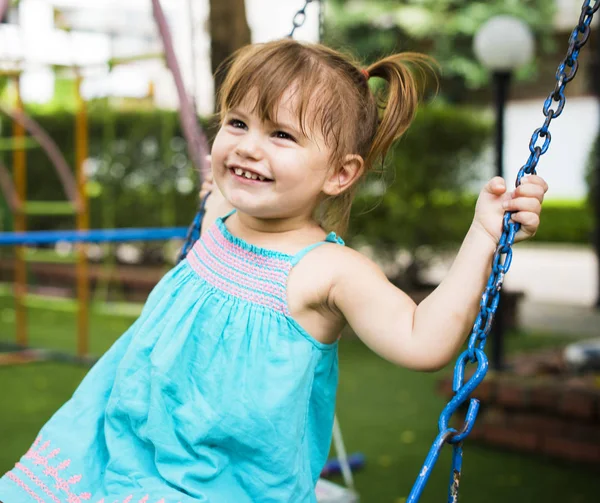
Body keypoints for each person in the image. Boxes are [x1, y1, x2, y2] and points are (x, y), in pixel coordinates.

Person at [0, 39, 547, 503]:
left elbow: (421, 341)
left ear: (340, 174)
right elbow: (218, 192)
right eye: (237, 123)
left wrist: (483, 236)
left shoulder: (328, 271)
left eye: (281, 135)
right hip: (115, 437)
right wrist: (218, 194)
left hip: (219, 481)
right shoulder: (221, 216)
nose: (247, 147)